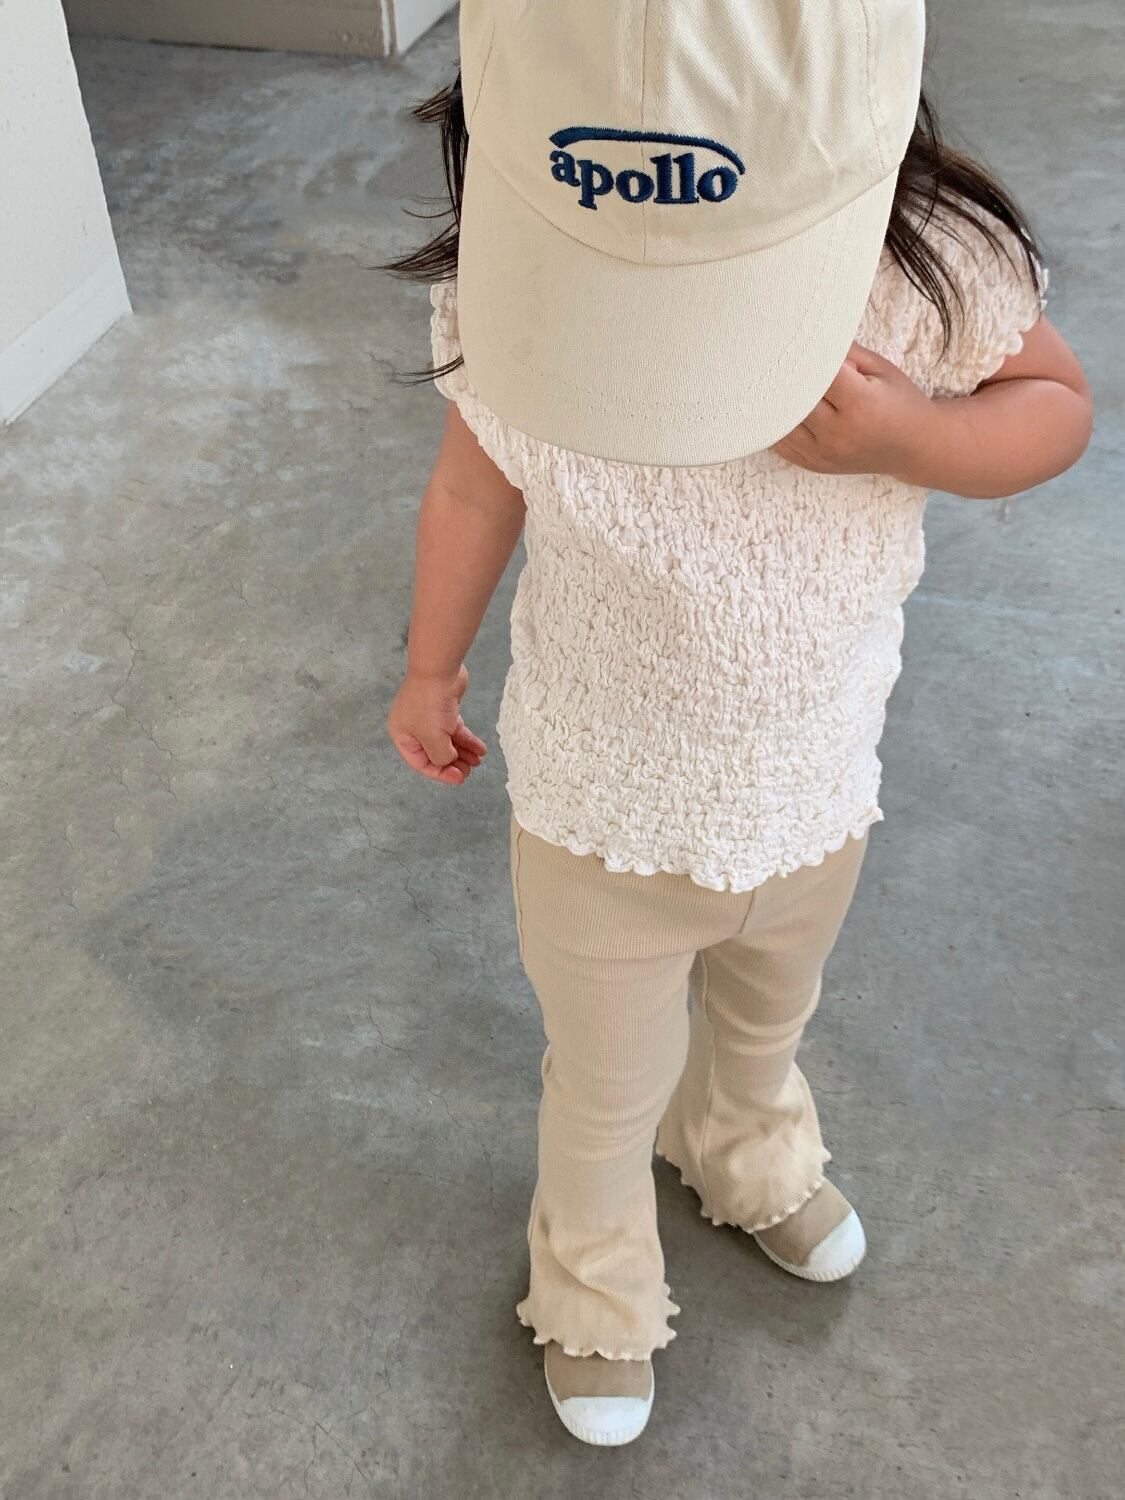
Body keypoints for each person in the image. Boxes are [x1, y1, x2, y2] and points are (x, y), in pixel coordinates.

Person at [385, 0, 1092, 1447]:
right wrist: (426, 668)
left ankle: (744, 1143)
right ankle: (593, 1281)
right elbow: (473, 479)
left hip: (811, 776)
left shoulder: (924, 260)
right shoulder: (513, 271)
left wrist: (915, 436)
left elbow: (1053, 402)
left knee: (771, 1013)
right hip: (598, 803)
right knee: (600, 1087)